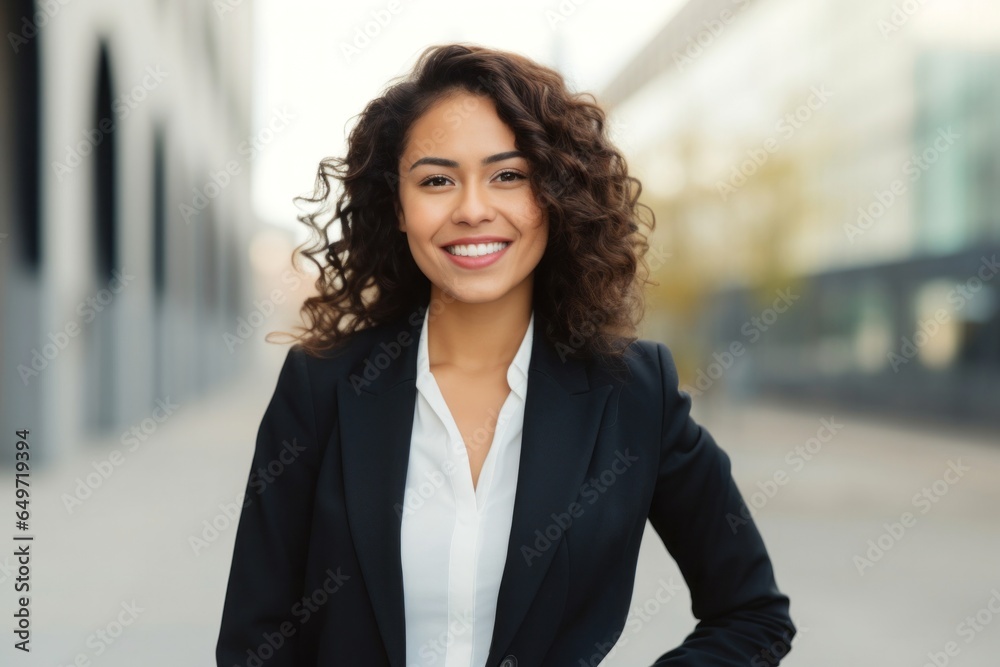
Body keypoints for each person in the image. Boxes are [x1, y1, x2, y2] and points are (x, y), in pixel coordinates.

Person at [216, 42, 795, 667]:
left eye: (508, 175)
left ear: (555, 197)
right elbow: (256, 638)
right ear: (399, 208)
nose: (471, 209)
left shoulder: (633, 392)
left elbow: (751, 614)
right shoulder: (320, 386)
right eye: (437, 180)